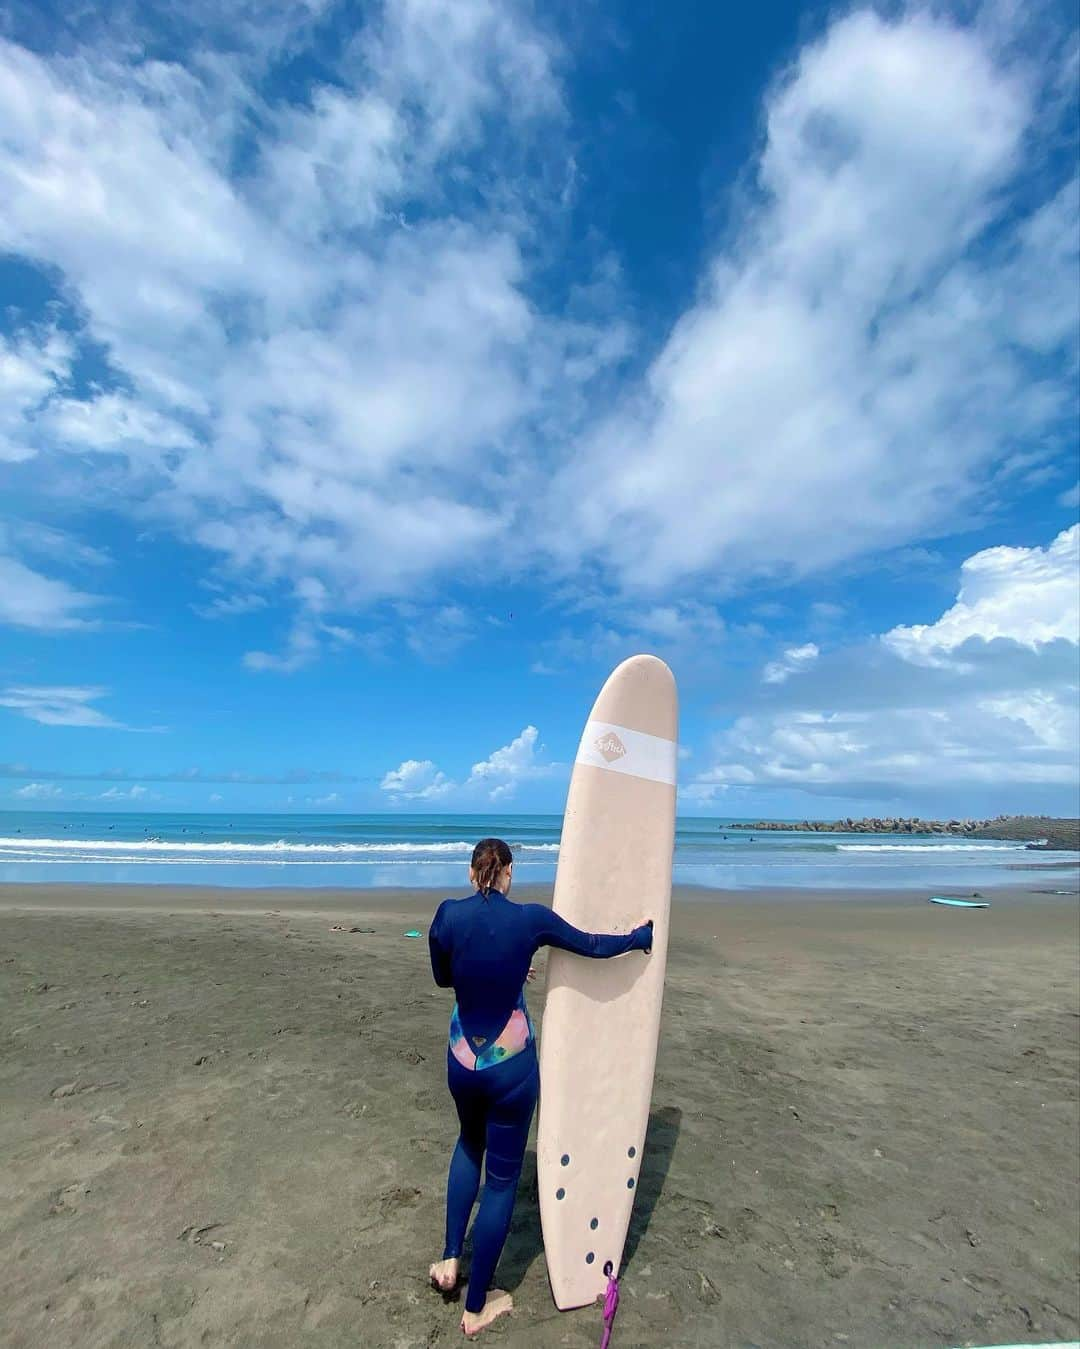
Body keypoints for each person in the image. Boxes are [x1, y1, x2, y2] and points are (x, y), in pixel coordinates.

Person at [427, 837, 653, 1337]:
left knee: (468, 1143)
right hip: (509, 1064)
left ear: (471, 874)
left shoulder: (447, 915)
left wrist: (499, 972)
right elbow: (593, 945)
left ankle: (448, 1260)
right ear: (508, 873)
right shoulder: (531, 920)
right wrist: (639, 937)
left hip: (463, 1056)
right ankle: (477, 1306)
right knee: (503, 1181)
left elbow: (446, 978)